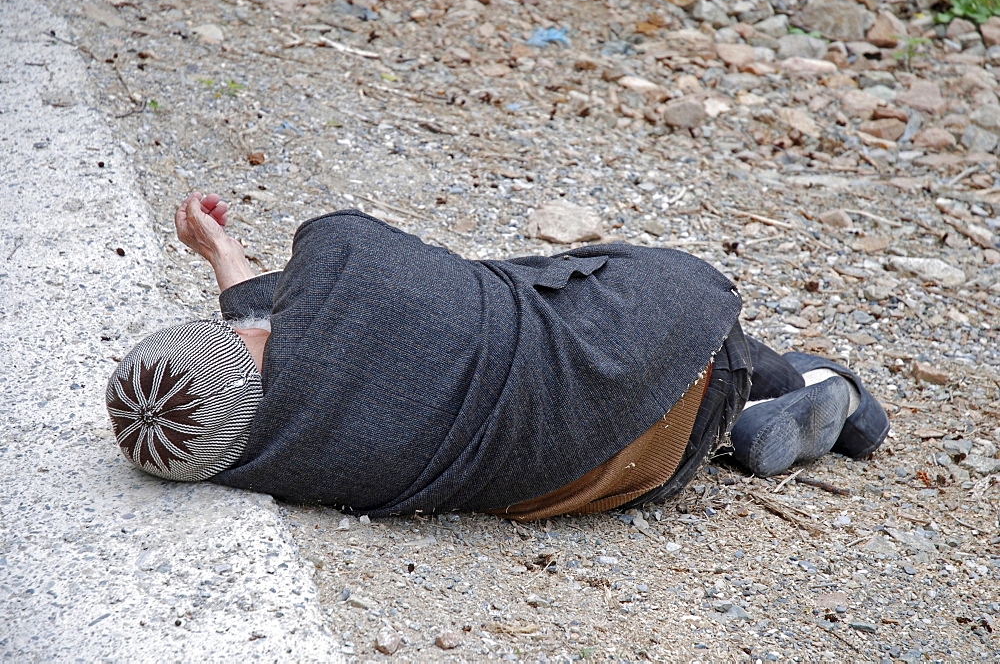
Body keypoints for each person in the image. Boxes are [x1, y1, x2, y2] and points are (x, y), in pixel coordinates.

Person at [105, 192, 889, 520]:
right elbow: (317, 286)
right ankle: (814, 387)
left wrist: (229, 265)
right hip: (682, 353)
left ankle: (750, 415)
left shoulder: (292, 460)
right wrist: (228, 259)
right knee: (580, 298)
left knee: (531, 372)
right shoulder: (340, 261)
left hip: (624, 478)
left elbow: (273, 358)